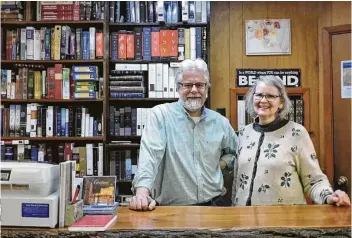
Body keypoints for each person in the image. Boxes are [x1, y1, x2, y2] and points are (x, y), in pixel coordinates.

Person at [128, 58, 238, 211]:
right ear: (178, 88)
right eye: (187, 85)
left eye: (199, 85)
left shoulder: (220, 123)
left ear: (207, 88)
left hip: (215, 206)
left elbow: (235, 153)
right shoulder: (161, 116)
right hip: (172, 209)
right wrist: (141, 193)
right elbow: (150, 156)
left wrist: (220, 164)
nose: (194, 90)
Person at [231, 75, 350, 206]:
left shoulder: (296, 133)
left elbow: (314, 180)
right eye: (258, 95)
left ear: (281, 102)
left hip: (285, 222)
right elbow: (237, 181)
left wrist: (329, 197)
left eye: (270, 96)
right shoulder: (243, 133)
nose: (263, 100)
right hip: (244, 220)